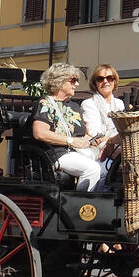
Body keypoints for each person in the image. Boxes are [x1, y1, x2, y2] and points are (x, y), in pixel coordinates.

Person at [30, 62, 103, 190]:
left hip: (77, 152)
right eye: (73, 80)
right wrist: (72, 141)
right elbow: (39, 133)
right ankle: (81, 206)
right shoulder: (46, 104)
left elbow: (81, 134)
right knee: (92, 169)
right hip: (57, 153)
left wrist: (90, 140)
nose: (77, 84)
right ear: (59, 81)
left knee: (105, 170)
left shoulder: (74, 106)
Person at [80, 63, 127, 190]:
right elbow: (95, 134)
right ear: (95, 83)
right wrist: (112, 144)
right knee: (104, 173)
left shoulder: (119, 103)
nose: (105, 81)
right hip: (99, 152)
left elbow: (123, 129)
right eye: (100, 79)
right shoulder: (88, 103)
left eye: (110, 78)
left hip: (119, 148)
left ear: (114, 81)